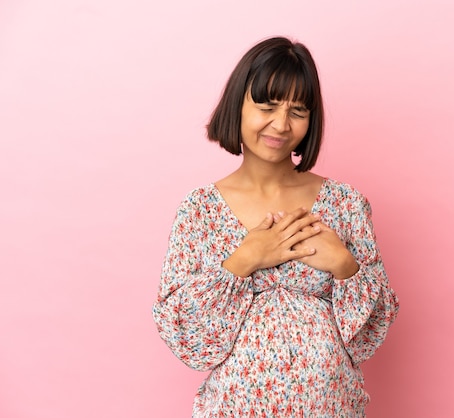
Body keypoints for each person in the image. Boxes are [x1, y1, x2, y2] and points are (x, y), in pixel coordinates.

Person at [153, 36, 399, 417]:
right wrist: (245, 259)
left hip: (332, 409)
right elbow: (184, 333)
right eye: (267, 106)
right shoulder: (199, 211)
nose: (281, 124)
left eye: (298, 111)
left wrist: (344, 266)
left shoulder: (345, 204)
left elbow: (373, 331)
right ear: (238, 104)